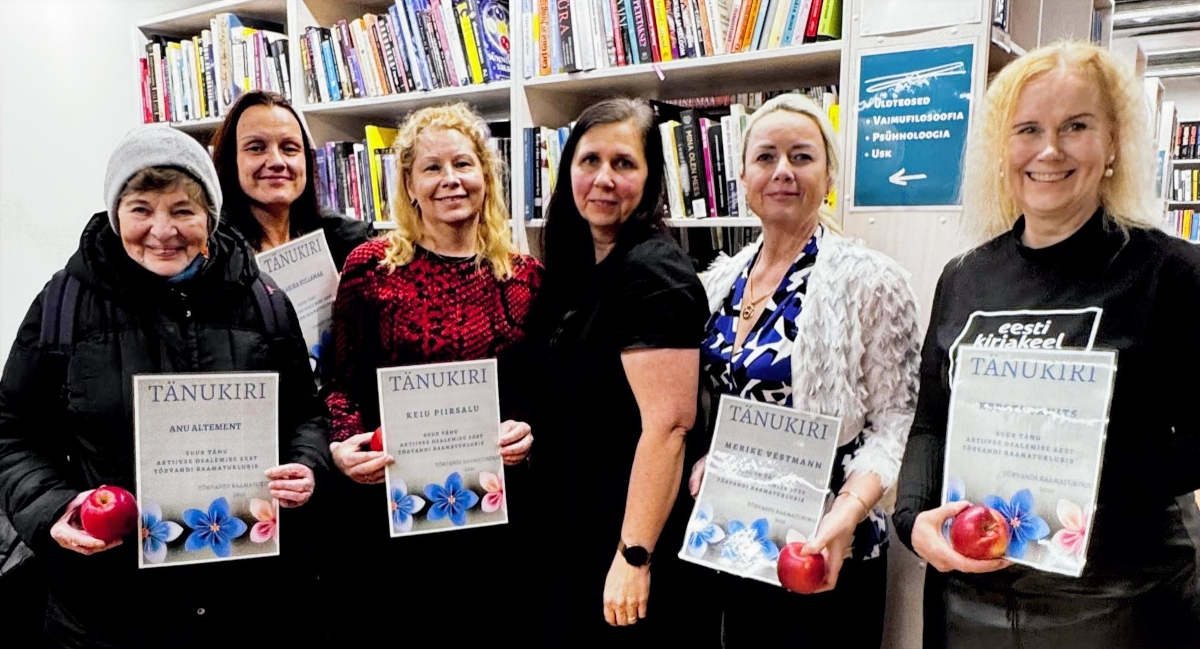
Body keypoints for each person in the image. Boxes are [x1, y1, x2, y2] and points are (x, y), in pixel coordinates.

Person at [893, 41, 1200, 648]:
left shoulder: (1172, 274)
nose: (1049, 150)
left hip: (1120, 603)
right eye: (1028, 129)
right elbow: (930, 424)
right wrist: (912, 520)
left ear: (1113, 142)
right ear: (1002, 148)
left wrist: (1078, 472)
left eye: (1076, 126)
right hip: (969, 602)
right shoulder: (964, 278)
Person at [0, 125, 331, 647]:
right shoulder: (64, 303)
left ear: (210, 217)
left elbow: (305, 414)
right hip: (106, 610)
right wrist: (53, 508)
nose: (162, 230)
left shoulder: (264, 299)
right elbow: (13, 432)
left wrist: (305, 465)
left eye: (182, 210)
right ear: (116, 213)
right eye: (141, 209)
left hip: (246, 601)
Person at [685, 93, 921, 647]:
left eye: (802, 156)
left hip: (827, 544)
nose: (783, 171)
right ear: (743, 178)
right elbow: (727, 401)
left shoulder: (871, 281)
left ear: (829, 176)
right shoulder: (719, 280)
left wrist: (848, 511)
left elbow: (898, 422)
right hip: (741, 536)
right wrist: (712, 459)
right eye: (766, 157)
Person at [320, 102, 541, 643]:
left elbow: (540, 392)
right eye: (432, 168)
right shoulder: (371, 268)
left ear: (485, 176)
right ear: (409, 185)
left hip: (498, 511)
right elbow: (340, 383)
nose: (450, 180)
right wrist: (345, 444)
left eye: (463, 164)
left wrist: (529, 431)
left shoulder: (527, 278)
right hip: (395, 507)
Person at [533, 97, 710, 646]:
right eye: (590, 160)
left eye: (624, 163)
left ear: (651, 177)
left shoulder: (654, 270)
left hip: (625, 538)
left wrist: (634, 557)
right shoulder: (579, 266)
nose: (604, 179)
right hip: (576, 524)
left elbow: (669, 428)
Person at [210, 90, 373, 270]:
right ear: (230, 160)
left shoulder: (349, 243)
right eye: (256, 148)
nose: (276, 162)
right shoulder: (210, 255)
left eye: (289, 148)